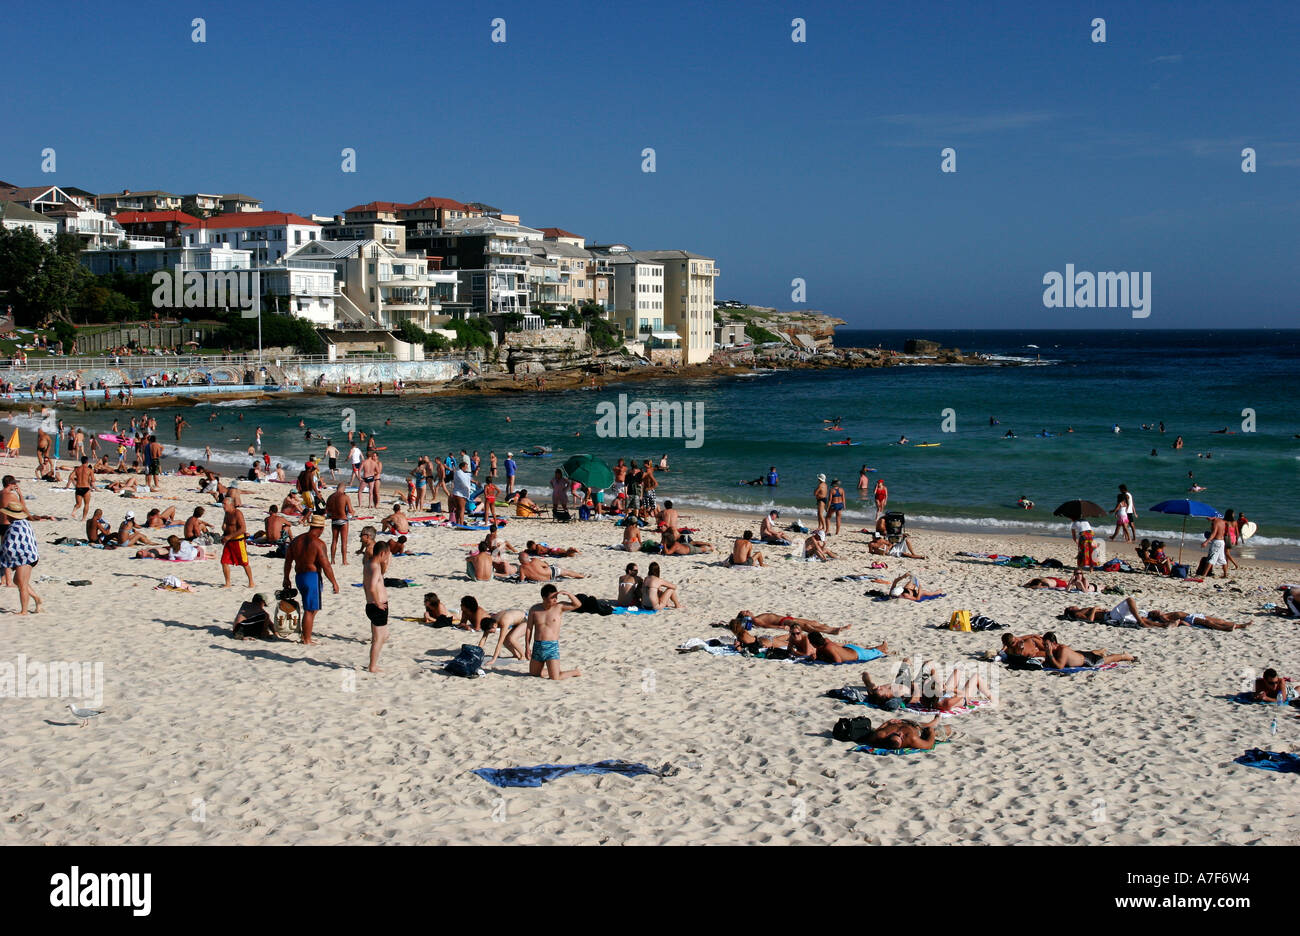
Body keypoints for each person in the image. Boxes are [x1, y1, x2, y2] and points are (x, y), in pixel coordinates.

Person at [284, 514, 340, 645]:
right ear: (320, 529)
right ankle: (306, 639)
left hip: (299, 577)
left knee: (311, 608)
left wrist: (286, 578)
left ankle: (306, 635)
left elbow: (288, 561)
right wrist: (334, 582)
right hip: (312, 577)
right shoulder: (318, 543)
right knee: (310, 610)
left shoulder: (296, 540)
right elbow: (326, 565)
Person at [526, 584, 582, 680]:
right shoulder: (534, 609)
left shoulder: (559, 607)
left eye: (556, 597)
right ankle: (553, 669)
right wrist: (527, 646)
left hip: (551, 646)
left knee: (555, 678)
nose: (555, 600)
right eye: (552, 598)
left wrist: (569, 594)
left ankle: (574, 672)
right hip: (537, 646)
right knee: (534, 674)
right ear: (544, 598)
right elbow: (529, 628)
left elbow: (578, 605)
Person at [0, 506, 41, 614]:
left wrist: (4, 559)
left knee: (22, 584)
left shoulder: (14, 527)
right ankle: (37, 599)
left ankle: (24, 611)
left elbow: (9, 546)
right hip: (30, 555)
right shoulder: (24, 522)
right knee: (17, 581)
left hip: (26, 557)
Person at [362, 537, 391, 673]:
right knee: (379, 639)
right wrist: (378, 603)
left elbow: (365, 585)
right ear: (382, 553)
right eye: (387, 555)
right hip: (377, 606)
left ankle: (372, 664)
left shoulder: (368, 564)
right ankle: (372, 666)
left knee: (379, 637)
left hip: (371, 604)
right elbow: (373, 587)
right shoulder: (375, 567)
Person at [1041, 632, 1135, 670]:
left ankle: (1125, 656)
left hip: (1088, 661)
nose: (1045, 647)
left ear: (1054, 643)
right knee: (1086, 653)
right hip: (1080, 655)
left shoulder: (1062, 650)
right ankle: (1100, 651)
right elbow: (1047, 663)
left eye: (1047, 645)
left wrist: (1050, 655)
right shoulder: (1051, 650)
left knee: (1109, 659)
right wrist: (1048, 655)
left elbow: (1059, 666)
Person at [788, 628, 888, 664]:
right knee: (870, 650)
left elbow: (838, 661)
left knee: (874, 652)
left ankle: (883, 646)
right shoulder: (824, 642)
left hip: (857, 654)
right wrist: (816, 657)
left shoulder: (828, 647)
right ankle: (880, 646)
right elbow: (819, 654)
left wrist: (823, 659)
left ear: (814, 643)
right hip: (849, 648)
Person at [722, 610, 850, 635]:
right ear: (746, 618)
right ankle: (832, 631)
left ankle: (835, 628)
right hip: (783, 621)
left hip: (786, 618)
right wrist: (779, 627)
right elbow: (766, 625)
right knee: (806, 626)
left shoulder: (756, 617)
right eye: (746, 613)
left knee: (813, 622)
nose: (748, 611)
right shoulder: (755, 620)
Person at [863, 716, 948, 751]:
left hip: (906, 722)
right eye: (901, 737)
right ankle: (934, 723)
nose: (900, 734)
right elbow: (929, 745)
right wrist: (931, 732)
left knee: (924, 724)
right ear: (903, 743)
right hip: (918, 729)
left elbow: (871, 736)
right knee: (945, 730)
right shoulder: (912, 740)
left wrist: (887, 723)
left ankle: (933, 722)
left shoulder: (882, 734)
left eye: (896, 734)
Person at [326, 482, 354, 564]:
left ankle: (332, 560)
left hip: (334, 519)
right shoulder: (345, 497)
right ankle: (344, 561)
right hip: (343, 520)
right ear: (344, 488)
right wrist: (352, 514)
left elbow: (327, 510)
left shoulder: (330, 497)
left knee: (334, 540)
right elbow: (350, 510)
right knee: (344, 541)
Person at [518, 548, 585, 582]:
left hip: (546, 580)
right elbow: (546, 565)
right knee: (567, 572)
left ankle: (580, 575)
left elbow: (522, 579)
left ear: (521, 560)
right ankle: (581, 576)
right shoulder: (534, 561)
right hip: (551, 572)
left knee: (561, 570)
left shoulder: (521, 568)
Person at [65, 456, 95, 521]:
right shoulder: (89, 470)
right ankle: (83, 518)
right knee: (86, 504)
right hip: (86, 488)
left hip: (78, 487)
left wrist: (75, 483)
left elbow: (71, 476)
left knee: (78, 504)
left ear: (81, 461)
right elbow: (93, 480)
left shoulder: (77, 469)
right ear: (87, 462)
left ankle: (74, 511)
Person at [1203, 512, 1230, 578]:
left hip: (1217, 542)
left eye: (1208, 517)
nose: (1206, 518)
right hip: (1221, 541)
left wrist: (1206, 542)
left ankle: (1204, 575)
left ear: (1213, 516)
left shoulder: (1215, 522)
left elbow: (1213, 534)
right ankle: (1225, 574)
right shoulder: (1222, 521)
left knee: (1211, 558)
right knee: (1222, 559)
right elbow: (1226, 531)